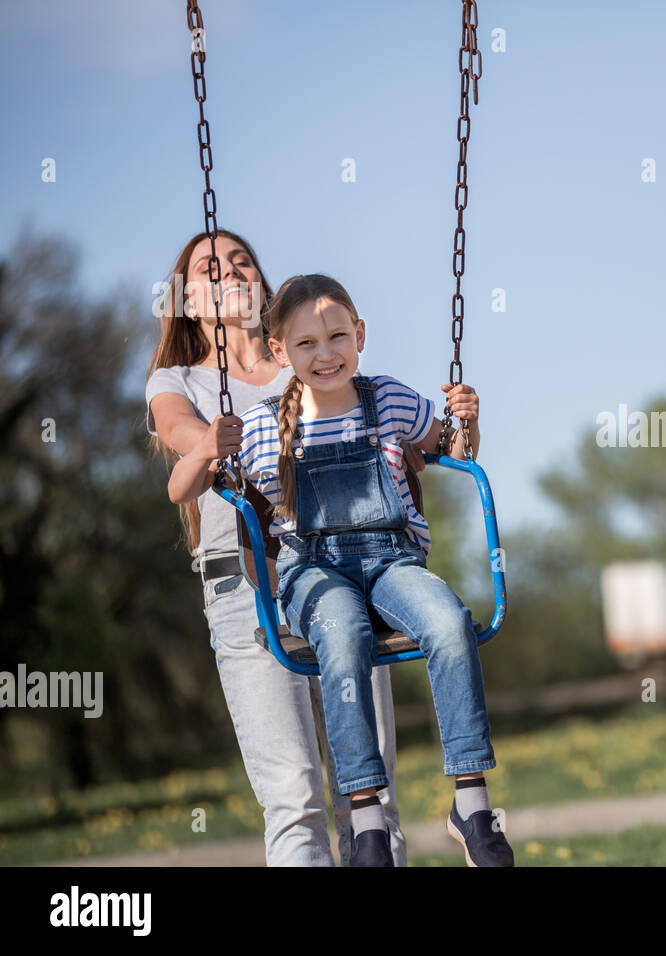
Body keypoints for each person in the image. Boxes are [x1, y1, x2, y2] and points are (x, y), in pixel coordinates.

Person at [168, 272, 514, 867]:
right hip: (313, 572)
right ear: (281, 353)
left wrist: (467, 420)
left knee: (451, 622)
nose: (325, 354)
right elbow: (181, 489)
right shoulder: (258, 427)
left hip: (391, 561)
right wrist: (206, 449)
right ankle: (365, 818)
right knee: (343, 636)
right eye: (306, 344)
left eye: (337, 337)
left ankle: (471, 802)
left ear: (360, 335)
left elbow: (456, 451)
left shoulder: (391, 400)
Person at [145, 230, 407, 866]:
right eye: (210, 268)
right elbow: (179, 430)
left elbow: (366, 412)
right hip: (244, 588)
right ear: (183, 298)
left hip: (342, 569)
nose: (231, 271)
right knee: (293, 796)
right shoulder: (175, 378)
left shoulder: (301, 355)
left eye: (241, 261)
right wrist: (212, 439)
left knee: (369, 791)